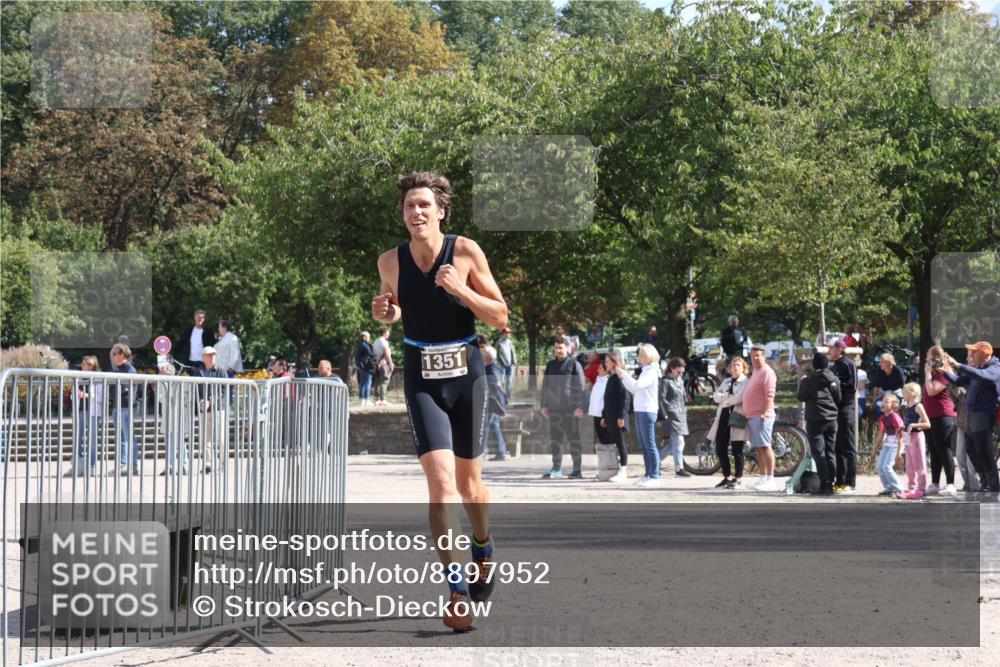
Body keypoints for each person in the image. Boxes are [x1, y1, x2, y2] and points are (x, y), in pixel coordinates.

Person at [371, 170, 508, 632]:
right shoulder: (389, 261)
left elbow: (501, 316)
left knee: (471, 489)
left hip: (466, 376)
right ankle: (455, 590)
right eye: (410, 206)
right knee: (441, 487)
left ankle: (483, 545)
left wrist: (461, 289)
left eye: (425, 205)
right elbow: (399, 307)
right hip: (422, 377)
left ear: (441, 210)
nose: (417, 212)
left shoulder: (465, 251)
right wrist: (388, 311)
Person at [942, 341, 1000, 493]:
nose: (972, 355)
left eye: (974, 352)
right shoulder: (978, 369)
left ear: (985, 354)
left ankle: (993, 485)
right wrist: (943, 370)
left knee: (983, 450)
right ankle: (985, 482)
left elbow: (982, 376)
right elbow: (957, 380)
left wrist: (958, 365)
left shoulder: (995, 368)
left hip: (983, 415)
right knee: (972, 450)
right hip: (971, 415)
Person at [614, 343, 663, 488]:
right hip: (641, 409)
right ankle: (648, 474)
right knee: (644, 444)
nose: (639, 358)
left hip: (648, 410)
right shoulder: (646, 370)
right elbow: (634, 388)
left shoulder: (652, 371)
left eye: (642, 355)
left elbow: (637, 386)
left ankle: (654, 475)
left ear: (649, 356)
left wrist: (624, 375)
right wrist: (624, 378)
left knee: (650, 444)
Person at [540, 337, 587, 479]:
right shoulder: (550, 365)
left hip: (571, 410)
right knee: (556, 440)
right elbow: (545, 386)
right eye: (556, 348)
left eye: (561, 348)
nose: (558, 351)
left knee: (574, 440)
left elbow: (581, 386)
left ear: (568, 348)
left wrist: (581, 406)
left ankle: (577, 470)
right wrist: (544, 405)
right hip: (554, 409)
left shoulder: (574, 364)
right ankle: (556, 469)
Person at [796, 352, 841, 496]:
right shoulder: (834, 379)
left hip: (815, 420)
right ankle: (832, 483)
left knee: (818, 452)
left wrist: (803, 382)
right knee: (830, 452)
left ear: (814, 365)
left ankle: (825, 484)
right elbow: (838, 398)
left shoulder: (810, 379)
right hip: (832, 419)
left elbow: (801, 397)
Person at [922, 346, 958, 497]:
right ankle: (935, 483)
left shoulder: (944, 373)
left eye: (928, 358)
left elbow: (931, 391)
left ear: (936, 358)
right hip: (930, 417)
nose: (926, 360)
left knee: (943, 449)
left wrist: (927, 374)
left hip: (943, 416)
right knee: (934, 451)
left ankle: (950, 484)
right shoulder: (933, 373)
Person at [709, 356, 749, 489]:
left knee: (737, 449)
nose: (735, 367)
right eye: (733, 365)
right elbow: (715, 397)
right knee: (720, 447)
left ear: (743, 368)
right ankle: (727, 477)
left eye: (738, 365)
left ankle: (738, 478)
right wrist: (727, 397)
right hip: (723, 416)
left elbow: (739, 398)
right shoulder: (726, 381)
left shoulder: (745, 382)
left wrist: (724, 398)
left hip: (737, 416)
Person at [743, 344, 778, 491]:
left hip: (762, 416)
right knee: (758, 448)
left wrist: (764, 412)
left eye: (758, 355)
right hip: (753, 415)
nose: (755, 358)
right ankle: (763, 477)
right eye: (753, 356)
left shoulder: (767, 372)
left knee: (765, 446)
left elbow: (770, 395)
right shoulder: (756, 371)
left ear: (764, 356)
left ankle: (770, 479)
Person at [194, 346, 231, 474]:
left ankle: (222, 464)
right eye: (210, 355)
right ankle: (208, 464)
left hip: (219, 409)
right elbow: (196, 390)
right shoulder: (198, 371)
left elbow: (223, 391)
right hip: (204, 409)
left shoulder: (221, 371)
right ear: (203, 357)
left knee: (221, 438)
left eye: (214, 355)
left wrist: (210, 401)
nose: (213, 357)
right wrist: (200, 401)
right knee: (206, 438)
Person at [828, 340, 858, 494]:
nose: (829, 351)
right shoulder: (834, 365)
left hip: (846, 408)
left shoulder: (848, 363)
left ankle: (850, 482)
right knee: (838, 447)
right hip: (836, 409)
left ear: (840, 350)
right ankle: (840, 481)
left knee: (848, 446)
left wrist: (836, 383)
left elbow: (852, 386)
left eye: (832, 349)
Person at [68, 355, 103, 476]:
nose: (82, 366)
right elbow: (72, 396)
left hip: (93, 412)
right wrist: (76, 394)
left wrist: (87, 395)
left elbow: (101, 397)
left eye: (84, 364)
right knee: (78, 439)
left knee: (92, 440)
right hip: (81, 411)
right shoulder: (78, 378)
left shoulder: (98, 378)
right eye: (82, 363)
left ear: (91, 366)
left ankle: (92, 466)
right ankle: (79, 465)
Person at [895, 382, 930, 500]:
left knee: (919, 463)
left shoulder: (918, 406)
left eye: (905, 392)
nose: (903, 394)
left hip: (917, 437)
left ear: (913, 393)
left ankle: (921, 489)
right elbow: (906, 423)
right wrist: (902, 429)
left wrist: (913, 425)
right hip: (907, 436)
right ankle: (911, 488)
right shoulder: (905, 406)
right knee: (909, 463)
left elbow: (927, 424)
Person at [109, 343, 140, 475]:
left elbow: (123, 389)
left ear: (123, 354)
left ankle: (132, 466)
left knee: (129, 437)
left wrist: (115, 389)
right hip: (118, 406)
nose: (114, 356)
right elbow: (114, 390)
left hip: (126, 407)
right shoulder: (120, 369)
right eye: (114, 354)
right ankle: (123, 465)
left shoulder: (129, 369)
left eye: (116, 353)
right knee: (122, 438)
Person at [659, 357, 691, 478]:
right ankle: (679, 469)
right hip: (671, 416)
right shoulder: (665, 381)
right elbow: (661, 398)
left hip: (680, 415)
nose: (680, 374)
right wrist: (671, 410)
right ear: (672, 368)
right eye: (678, 371)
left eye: (682, 372)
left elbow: (682, 397)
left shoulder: (679, 380)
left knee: (675, 443)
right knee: (679, 441)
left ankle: (656, 460)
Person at [601, 350, 630, 483]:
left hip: (618, 416)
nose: (605, 364)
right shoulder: (611, 377)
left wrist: (621, 416)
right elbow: (607, 399)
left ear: (614, 362)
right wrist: (604, 415)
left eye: (607, 361)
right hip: (610, 416)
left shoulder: (619, 377)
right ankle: (616, 469)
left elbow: (625, 398)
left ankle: (623, 470)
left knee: (620, 442)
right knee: (615, 443)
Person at [157, 363, 189, 475]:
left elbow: (186, 399)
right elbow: (160, 399)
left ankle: (184, 466)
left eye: (162, 373)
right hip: (167, 417)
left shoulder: (180, 383)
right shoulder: (161, 384)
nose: (159, 375)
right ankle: (170, 466)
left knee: (180, 443)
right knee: (169, 443)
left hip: (178, 416)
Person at [873, 393, 906, 497]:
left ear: (893, 405)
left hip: (896, 444)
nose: (883, 403)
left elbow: (901, 435)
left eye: (886, 402)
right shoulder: (882, 417)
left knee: (887, 466)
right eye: (883, 401)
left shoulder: (895, 417)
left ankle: (898, 488)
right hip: (888, 444)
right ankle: (889, 487)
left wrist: (899, 452)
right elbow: (881, 433)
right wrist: (874, 449)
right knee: (879, 467)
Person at [482, 345, 509, 461]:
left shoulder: (492, 368)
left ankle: (482, 452)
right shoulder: (494, 367)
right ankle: (501, 452)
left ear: (488, 357)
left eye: (483, 355)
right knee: (493, 425)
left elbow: (494, 384)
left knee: (485, 426)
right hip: (496, 402)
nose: (481, 357)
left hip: (492, 402)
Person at [372, 327, 394, 407]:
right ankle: (383, 400)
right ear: (384, 332)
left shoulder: (376, 341)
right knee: (384, 381)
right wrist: (391, 363)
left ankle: (377, 400)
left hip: (377, 364)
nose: (389, 334)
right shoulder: (384, 342)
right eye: (388, 332)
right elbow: (387, 354)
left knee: (377, 382)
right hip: (384, 364)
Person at [354, 331, 377, 407]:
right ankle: (366, 399)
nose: (369, 338)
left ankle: (362, 400)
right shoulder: (365, 345)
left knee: (363, 383)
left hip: (362, 366)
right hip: (367, 366)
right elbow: (371, 354)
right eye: (368, 337)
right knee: (368, 383)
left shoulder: (359, 344)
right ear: (364, 337)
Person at [496, 326, 517, 398]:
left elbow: (513, 353)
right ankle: (502, 395)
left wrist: (514, 362)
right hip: (502, 365)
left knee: (510, 381)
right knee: (502, 381)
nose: (509, 334)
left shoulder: (510, 342)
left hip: (511, 365)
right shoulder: (498, 343)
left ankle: (509, 396)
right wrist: (502, 363)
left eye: (509, 333)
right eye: (508, 333)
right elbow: (497, 355)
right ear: (503, 333)